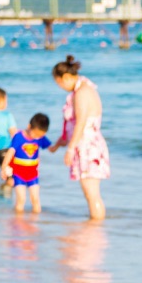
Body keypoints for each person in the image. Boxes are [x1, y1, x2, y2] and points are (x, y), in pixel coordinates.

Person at [48, 55, 109, 221]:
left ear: (66, 77)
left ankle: (95, 229)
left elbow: (80, 122)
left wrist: (69, 149)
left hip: (88, 147)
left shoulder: (82, 93)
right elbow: (74, 125)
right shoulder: (84, 89)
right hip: (87, 145)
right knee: (90, 193)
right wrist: (59, 144)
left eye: (59, 83)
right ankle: (94, 227)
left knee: (92, 193)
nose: (60, 87)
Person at [3, 113, 52, 213]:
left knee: (36, 200)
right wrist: (4, 167)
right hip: (19, 174)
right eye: (35, 134)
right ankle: (18, 221)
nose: (36, 137)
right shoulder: (18, 137)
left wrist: (61, 142)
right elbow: (10, 152)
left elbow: (52, 149)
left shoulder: (40, 138)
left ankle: (35, 223)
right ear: (29, 126)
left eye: (40, 136)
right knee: (21, 200)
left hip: (33, 175)